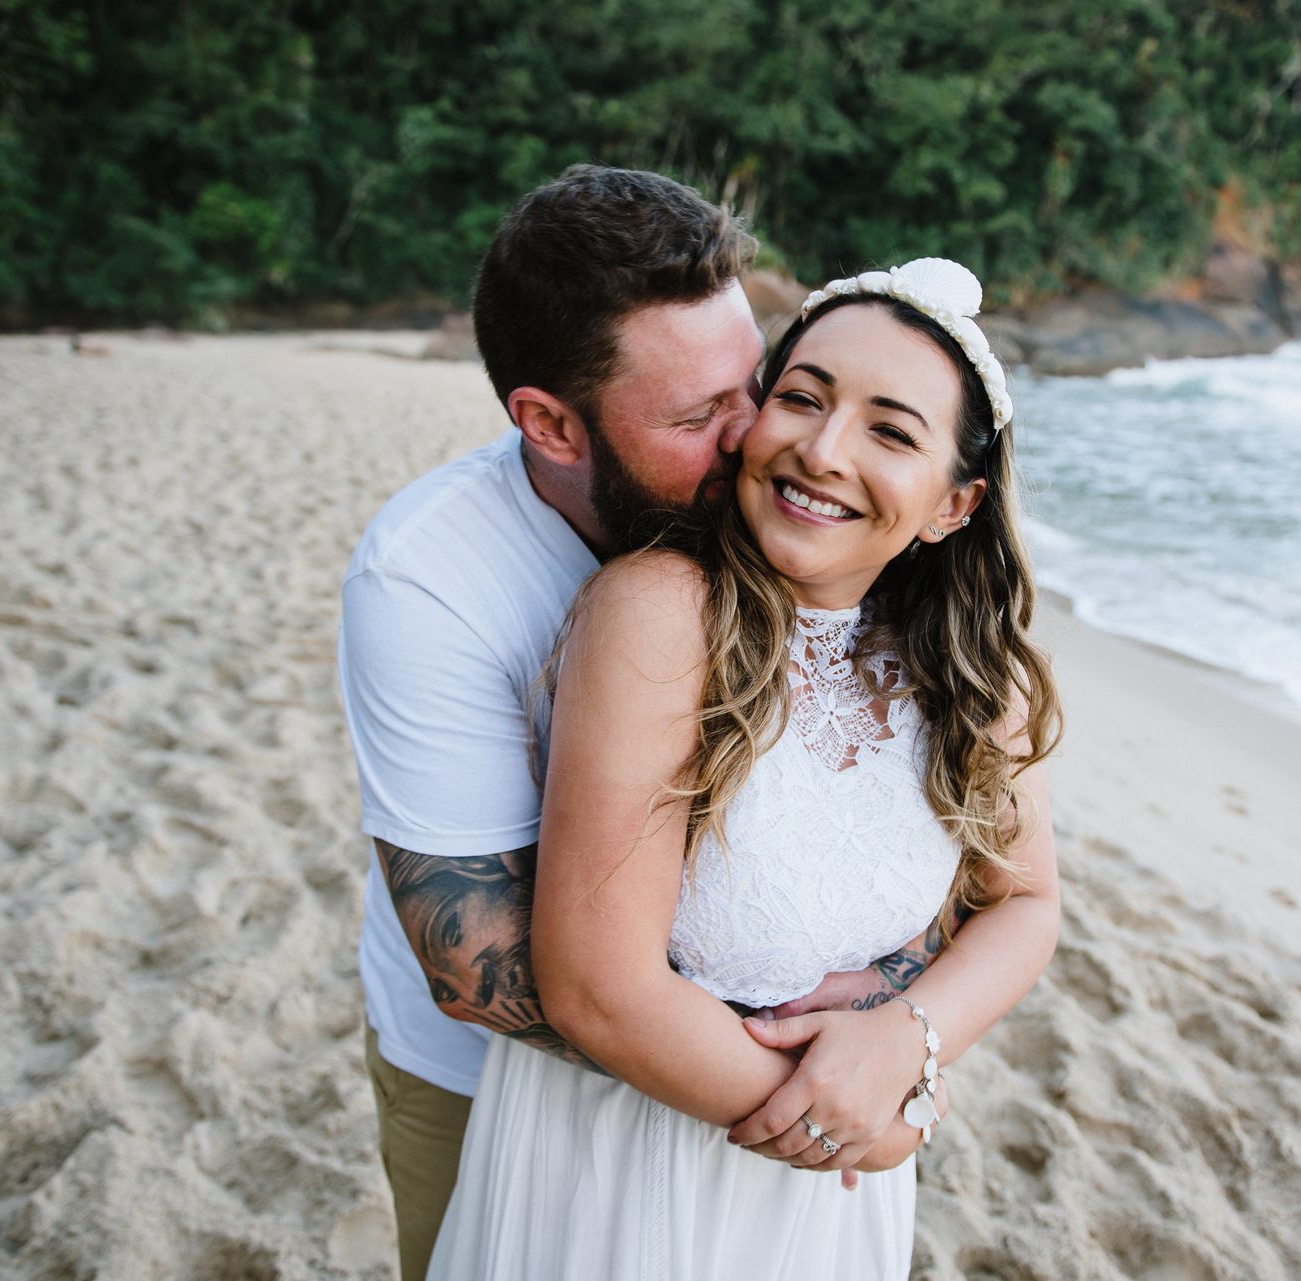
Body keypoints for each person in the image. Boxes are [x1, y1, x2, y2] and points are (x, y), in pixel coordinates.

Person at [338, 166, 956, 1281]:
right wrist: (831, 1093)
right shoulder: (427, 577)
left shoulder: (786, 529)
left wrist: (895, 1023)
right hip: (490, 1088)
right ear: (550, 424)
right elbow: (473, 959)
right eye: (695, 415)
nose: (756, 435)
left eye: (755, 383)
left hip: (781, 1102)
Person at [426, 257, 1063, 1279]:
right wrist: (868, 1125)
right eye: (802, 398)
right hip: (631, 1166)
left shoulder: (975, 677)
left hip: (831, 1187)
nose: (823, 449)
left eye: (891, 432)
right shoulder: (661, 610)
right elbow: (596, 988)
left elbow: (1025, 903)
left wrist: (910, 1037)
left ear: (954, 503)